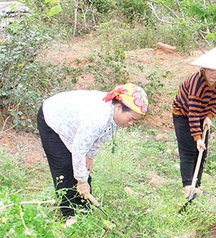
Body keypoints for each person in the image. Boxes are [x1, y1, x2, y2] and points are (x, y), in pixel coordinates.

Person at [37, 83, 149, 227]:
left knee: (83, 167)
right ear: (119, 107)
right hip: (53, 118)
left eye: (135, 121)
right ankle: (69, 215)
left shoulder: (114, 115)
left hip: (75, 124)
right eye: (131, 118)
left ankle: (84, 210)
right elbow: (78, 149)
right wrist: (82, 181)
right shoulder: (98, 118)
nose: (131, 123)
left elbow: (100, 138)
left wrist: (89, 156)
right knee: (64, 167)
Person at [173, 47, 216, 199]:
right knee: (189, 151)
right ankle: (188, 188)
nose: (214, 74)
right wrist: (197, 138)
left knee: (202, 152)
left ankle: (197, 186)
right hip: (183, 114)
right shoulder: (197, 83)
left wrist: (209, 116)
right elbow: (193, 111)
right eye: (211, 70)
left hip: (202, 116)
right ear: (204, 68)